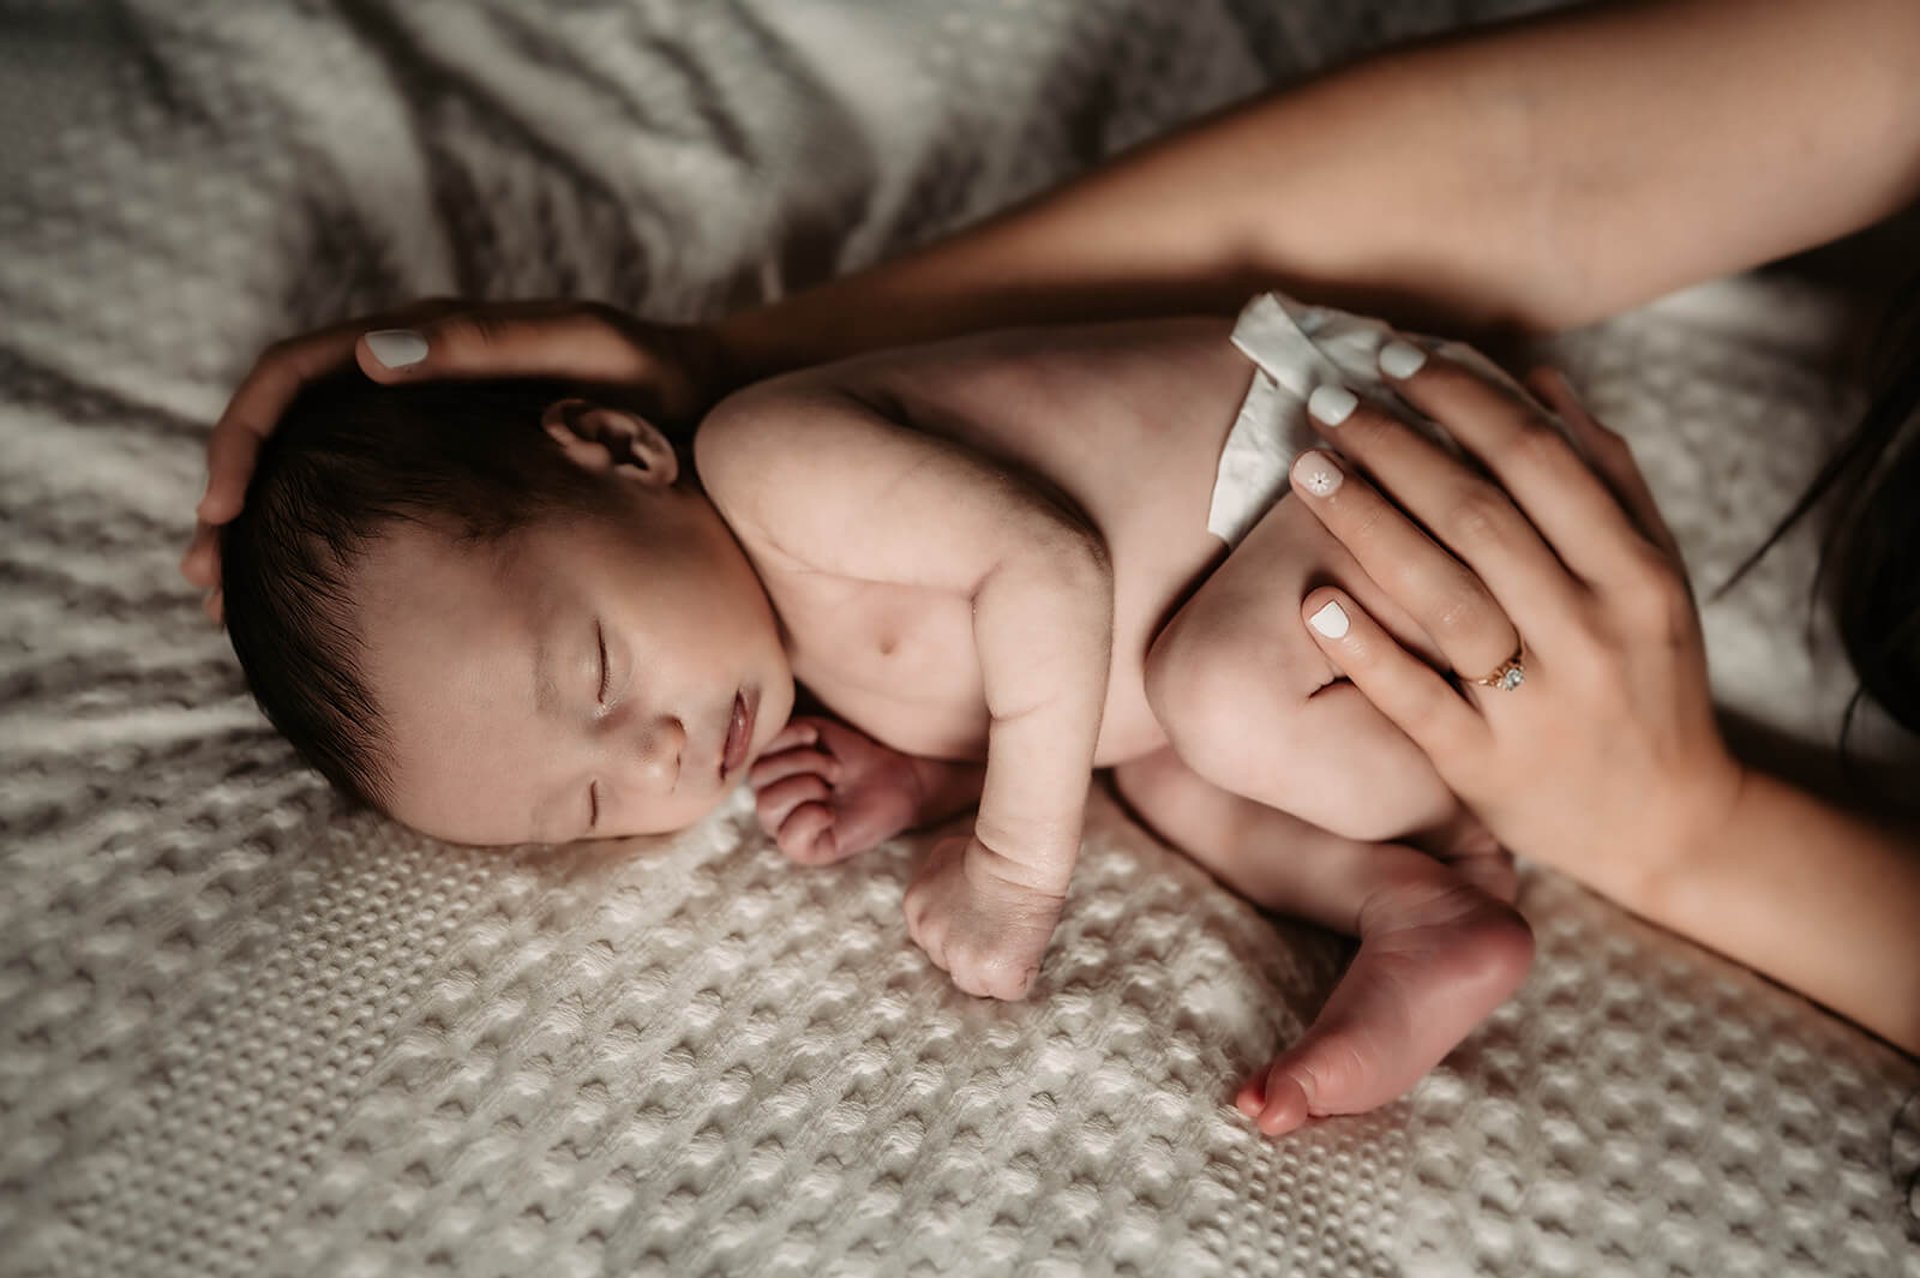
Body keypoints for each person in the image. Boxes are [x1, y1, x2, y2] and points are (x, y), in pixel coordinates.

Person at [182, 0, 1920, 1085]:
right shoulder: (772, 600)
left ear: (625, 446)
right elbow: (1020, 674)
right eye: (573, 806)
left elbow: (1052, 578)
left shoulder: (772, 457)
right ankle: (1425, 915)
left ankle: (1462, 823)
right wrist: (922, 766)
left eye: (593, 668)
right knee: (1163, 747)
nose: (646, 756)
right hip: (1261, 541)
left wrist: (1011, 866)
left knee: (1210, 704)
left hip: (1334, 444)